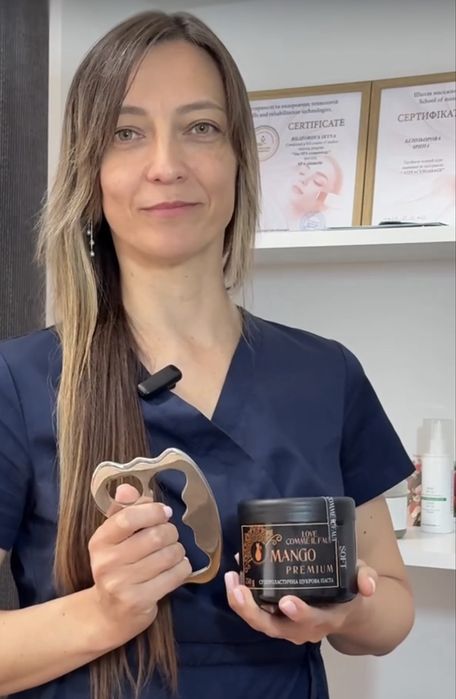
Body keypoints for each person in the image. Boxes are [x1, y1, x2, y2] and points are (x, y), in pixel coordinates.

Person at [0, 10, 415, 699]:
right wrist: (103, 614)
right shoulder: (17, 383)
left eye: (201, 128)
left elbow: (391, 603)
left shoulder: (326, 374)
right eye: (126, 133)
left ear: (239, 159)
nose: (167, 165)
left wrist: (348, 610)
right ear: (89, 172)